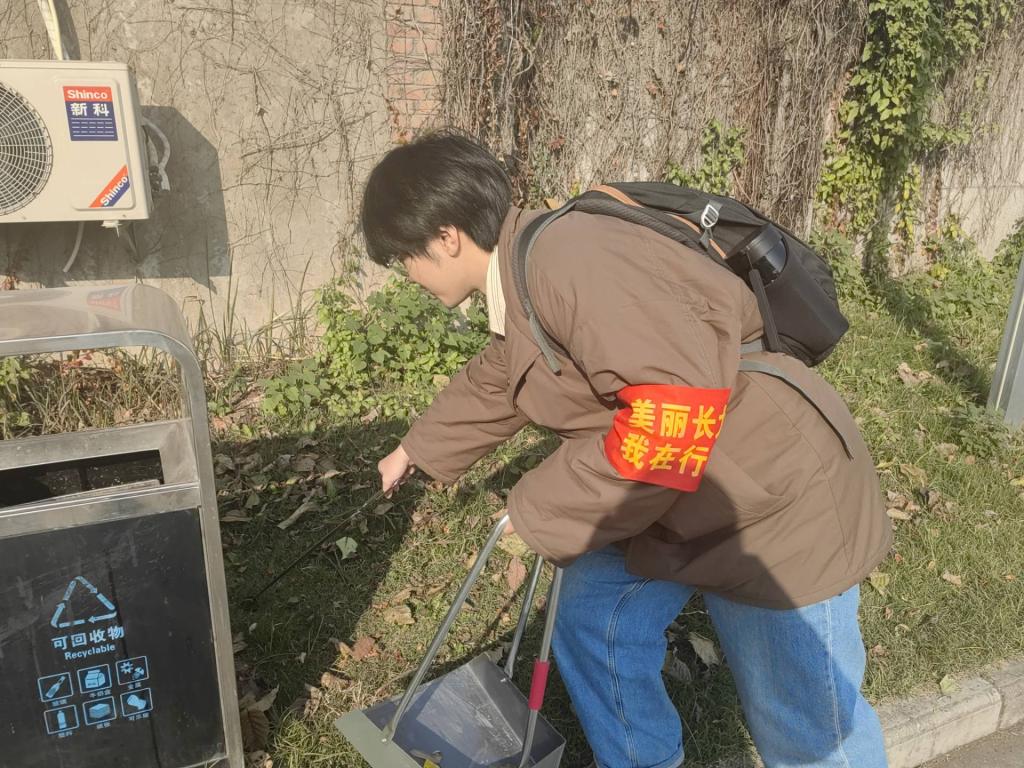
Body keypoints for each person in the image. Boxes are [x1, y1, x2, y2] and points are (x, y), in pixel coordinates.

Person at [363, 131, 892, 768]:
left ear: (447, 237)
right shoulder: (527, 267)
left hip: (772, 501)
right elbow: (506, 373)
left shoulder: (572, 260)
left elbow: (673, 415)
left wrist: (538, 509)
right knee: (593, 620)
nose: (406, 274)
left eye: (404, 256)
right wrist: (415, 449)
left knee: (811, 735)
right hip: (683, 493)